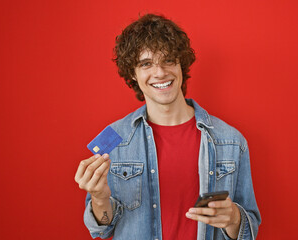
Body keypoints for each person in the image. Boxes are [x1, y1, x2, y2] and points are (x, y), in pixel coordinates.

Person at [74, 13, 261, 240]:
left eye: (168, 60)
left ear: (182, 64)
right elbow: (101, 229)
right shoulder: (114, 140)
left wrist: (233, 217)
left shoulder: (231, 141)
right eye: (146, 64)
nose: (160, 72)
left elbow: (249, 230)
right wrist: (99, 197)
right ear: (133, 74)